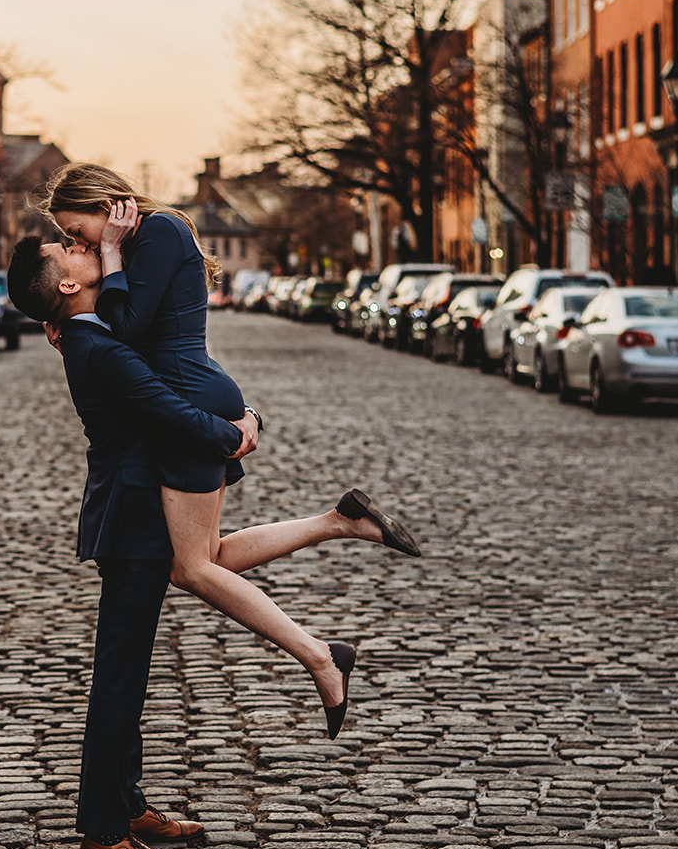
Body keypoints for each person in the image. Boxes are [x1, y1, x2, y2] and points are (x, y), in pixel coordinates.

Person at [6, 234, 409, 849]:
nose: (77, 245)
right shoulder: (92, 343)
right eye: (67, 248)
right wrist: (237, 431)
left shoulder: (91, 331)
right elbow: (164, 405)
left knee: (184, 594)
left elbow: (153, 342)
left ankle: (127, 805)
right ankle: (104, 833)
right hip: (134, 516)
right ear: (63, 285)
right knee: (119, 679)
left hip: (138, 506)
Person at [36, 163, 419, 727]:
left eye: (76, 230)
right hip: (186, 400)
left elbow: (130, 329)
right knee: (207, 556)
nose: (76, 243)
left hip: (187, 404)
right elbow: (120, 326)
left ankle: (321, 657)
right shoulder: (142, 244)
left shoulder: (159, 231)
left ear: (105, 207)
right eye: (69, 238)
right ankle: (340, 521)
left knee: (190, 569)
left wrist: (106, 264)